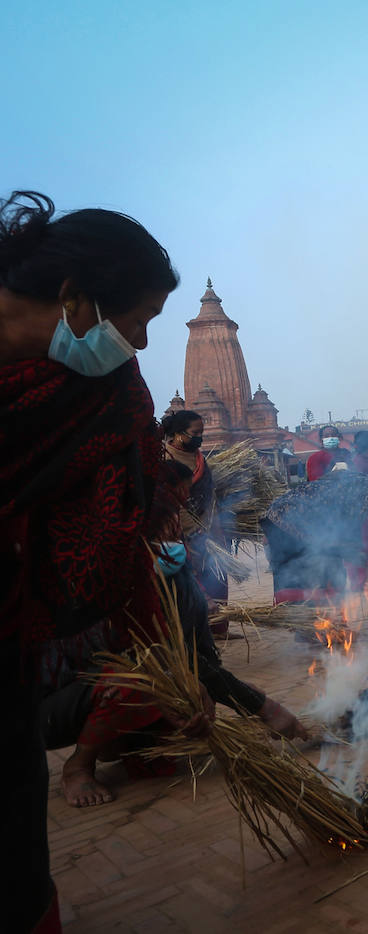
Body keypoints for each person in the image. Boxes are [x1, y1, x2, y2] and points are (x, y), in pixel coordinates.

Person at [0, 190, 184, 932]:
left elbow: (123, 519)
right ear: (74, 298)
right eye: (136, 322)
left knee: (12, 847)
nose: (137, 344)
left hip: (8, 636)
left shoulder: (100, 393)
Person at [260, 465, 368, 605]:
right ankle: (325, 630)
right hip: (293, 525)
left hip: (280, 520)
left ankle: (310, 632)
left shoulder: (360, 483)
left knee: (328, 576)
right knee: (319, 584)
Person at [160, 409, 230, 612]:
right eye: (195, 433)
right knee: (193, 582)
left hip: (208, 526)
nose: (200, 438)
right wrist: (187, 533)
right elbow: (169, 501)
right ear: (179, 434)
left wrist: (215, 525)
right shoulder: (165, 458)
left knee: (218, 574)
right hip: (181, 532)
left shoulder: (199, 457)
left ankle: (220, 627)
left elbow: (210, 492)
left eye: (202, 433)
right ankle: (201, 629)